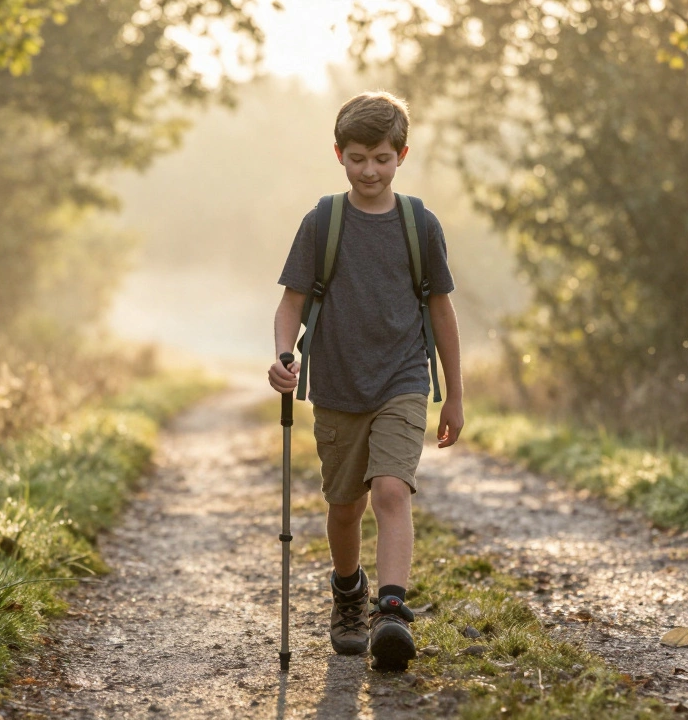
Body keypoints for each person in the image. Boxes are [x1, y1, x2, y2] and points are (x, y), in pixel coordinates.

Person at [268, 90, 464, 671]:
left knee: (391, 491)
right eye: (358, 157)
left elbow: (442, 312)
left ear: (401, 154)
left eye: (381, 157)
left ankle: (392, 612)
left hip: (403, 378)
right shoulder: (322, 221)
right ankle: (349, 592)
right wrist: (283, 353)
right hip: (336, 384)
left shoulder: (419, 224)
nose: (370, 170)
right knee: (345, 506)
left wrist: (454, 394)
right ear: (339, 155)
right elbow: (290, 305)